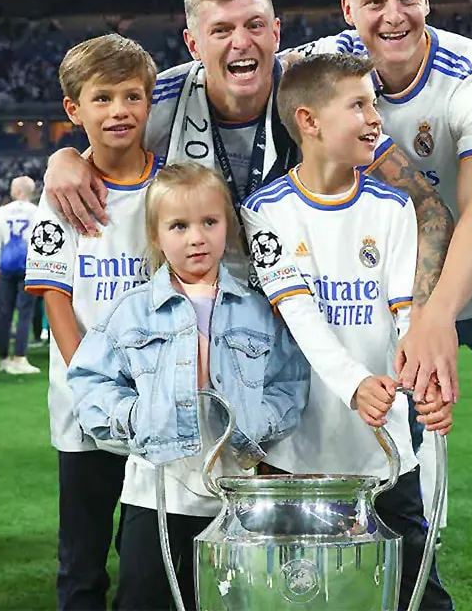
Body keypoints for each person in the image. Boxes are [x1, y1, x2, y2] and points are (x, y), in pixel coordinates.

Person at [288, 0, 472, 611]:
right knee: (386, 460)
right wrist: (70, 157)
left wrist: (437, 315)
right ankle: (405, 596)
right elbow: (218, 77)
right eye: (374, 0)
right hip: (395, 299)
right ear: (347, 10)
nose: (393, 15)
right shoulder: (324, 73)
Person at [42, 0, 454, 371]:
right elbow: (106, 136)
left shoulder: (314, 96)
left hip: (321, 325)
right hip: (207, 343)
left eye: (254, 25)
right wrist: (67, 158)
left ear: (276, 32)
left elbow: (429, 209)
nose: (241, 42)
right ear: (193, 44)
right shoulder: (161, 102)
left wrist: (419, 317)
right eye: (221, 30)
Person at [241, 53, 453, 610]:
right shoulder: (266, 211)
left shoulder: (392, 205)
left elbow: (408, 317)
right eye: (358, 104)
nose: (375, 118)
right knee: (302, 594)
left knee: (417, 591)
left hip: (384, 445)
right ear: (309, 122)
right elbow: (300, 316)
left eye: (375, 104)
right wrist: (356, 381)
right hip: (297, 449)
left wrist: (426, 387)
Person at [68, 163, 310, 611]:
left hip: (234, 497)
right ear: (157, 236)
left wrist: (255, 427)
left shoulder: (259, 311)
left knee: (228, 601)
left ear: (228, 228)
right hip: (154, 494)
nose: (196, 237)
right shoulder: (134, 311)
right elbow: (89, 381)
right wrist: (136, 419)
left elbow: (289, 383)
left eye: (209, 223)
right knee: (143, 598)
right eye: (179, 226)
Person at [24, 33, 161, 610]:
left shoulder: (172, 183)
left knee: (146, 559)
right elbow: (56, 297)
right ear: (74, 110)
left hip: (159, 404)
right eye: (101, 98)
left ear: (151, 103)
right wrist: (92, 383)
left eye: (132, 96)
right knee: (81, 563)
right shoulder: (60, 196)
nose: (119, 111)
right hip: (84, 405)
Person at [0, 175, 39, 374]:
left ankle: (4, 359)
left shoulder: (2, 212)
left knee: (4, 312)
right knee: (25, 312)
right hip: (28, 265)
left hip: (7, 266)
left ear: (17, 190)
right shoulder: (36, 211)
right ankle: (20, 357)